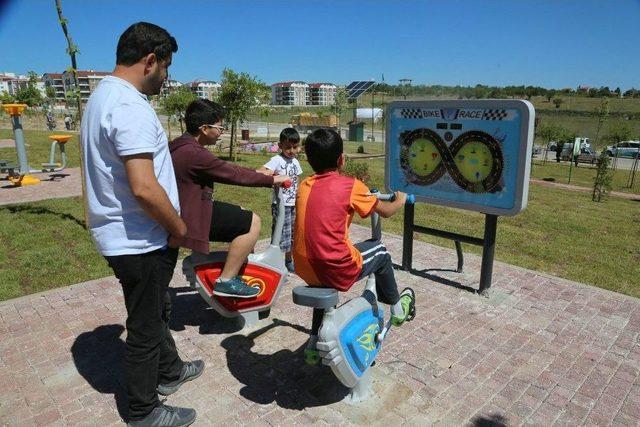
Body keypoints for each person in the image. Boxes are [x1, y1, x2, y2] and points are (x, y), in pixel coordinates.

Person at [81, 22, 201, 427]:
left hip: (122, 234)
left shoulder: (101, 97)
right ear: (150, 60)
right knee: (145, 327)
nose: (166, 78)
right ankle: (142, 410)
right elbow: (145, 189)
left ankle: (169, 371)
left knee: (154, 307)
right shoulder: (130, 106)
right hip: (140, 239)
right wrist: (179, 227)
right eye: (165, 68)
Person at [292, 129, 416, 359]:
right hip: (337, 268)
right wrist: (399, 200)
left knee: (322, 283)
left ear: (309, 160)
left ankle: (313, 343)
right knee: (379, 250)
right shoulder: (351, 185)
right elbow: (386, 211)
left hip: (304, 267)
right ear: (341, 159)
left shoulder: (304, 185)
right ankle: (397, 309)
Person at [170, 99, 289, 298]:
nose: (222, 131)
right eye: (220, 127)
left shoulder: (181, 145)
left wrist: (259, 173)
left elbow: (227, 169)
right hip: (190, 216)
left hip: (185, 209)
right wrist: (273, 180)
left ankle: (237, 270)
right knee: (252, 222)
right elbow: (232, 175)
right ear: (204, 128)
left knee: (240, 211)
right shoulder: (194, 153)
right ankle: (226, 280)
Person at [257, 128, 303, 273]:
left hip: (293, 204)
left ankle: (288, 261)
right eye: (288, 147)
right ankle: (272, 263)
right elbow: (259, 171)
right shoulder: (276, 160)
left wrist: (298, 197)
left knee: (292, 235)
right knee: (279, 233)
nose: (291, 150)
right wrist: (271, 174)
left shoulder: (295, 162)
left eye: (295, 147)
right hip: (280, 205)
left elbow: (298, 180)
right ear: (280, 146)